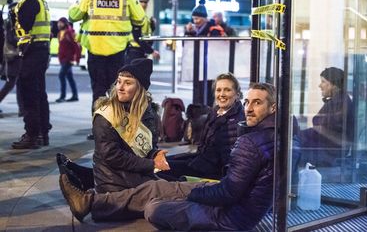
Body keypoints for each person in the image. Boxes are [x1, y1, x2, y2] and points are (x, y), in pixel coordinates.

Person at [59, 82, 277, 231]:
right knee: (157, 183)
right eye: (248, 102)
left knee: (155, 200)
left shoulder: (248, 138)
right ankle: (91, 196)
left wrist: (193, 193)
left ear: (273, 107)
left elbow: (226, 187)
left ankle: (92, 200)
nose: (249, 108)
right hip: (228, 195)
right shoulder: (260, 133)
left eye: (256, 103)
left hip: (230, 213)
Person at [61, 58, 169, 194]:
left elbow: (146, 148)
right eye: (118, 82)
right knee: (169, 193)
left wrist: (155, 154)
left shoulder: (149, 113)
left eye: (127, 83)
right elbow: (112, 156)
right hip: (114, 180)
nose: (120, 88)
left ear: (140, 88)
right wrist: (151, 164)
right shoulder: (106, 114)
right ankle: (93, 201)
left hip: (134, 174)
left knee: (175, 183)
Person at [69, 0, 147, 139]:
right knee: (119, 90)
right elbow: (141, 19)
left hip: (95, 50)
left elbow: (73, 15)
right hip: (118, 51)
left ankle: (98, 130)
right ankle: (118, 129)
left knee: (97, 91)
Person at [158, 72, 245, 181]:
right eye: (219, 90)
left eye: (227, 90)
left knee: (159, 169)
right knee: (158, 162)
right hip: (201, 160)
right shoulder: (216, 112)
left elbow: (226, 162)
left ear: (237, 94)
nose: (222, 94)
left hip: (211, 172)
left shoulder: (236, 120)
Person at [11, 0, 55, 149]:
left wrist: (14, 15)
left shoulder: (31, 1)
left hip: (32, 51)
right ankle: (42, 133)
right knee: (39, 93)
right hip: (40, 50)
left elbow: (24, 25)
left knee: (28, 93)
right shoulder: (41, 2)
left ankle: (32, 135)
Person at [299, 67, 354, 167]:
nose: (320, 85)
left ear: (334, 85)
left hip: (329, 152)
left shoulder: (339, 102)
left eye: (323, 82)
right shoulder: (338, 100)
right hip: (325, 147)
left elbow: (322, 126)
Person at [125, 0, 160, 64]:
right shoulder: (135, 17)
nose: (143, 4)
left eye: (145, 2)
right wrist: (151, 51)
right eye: (141, 2)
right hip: (134, 52)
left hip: (141, 52)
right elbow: (137, 37)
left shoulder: (145, 17)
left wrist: (152, 26)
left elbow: (147, 35)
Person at [55, 17, 79, 103]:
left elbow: (76, 46)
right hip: (62, 59)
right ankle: (75, 95)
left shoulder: (69, 33)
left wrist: (76, 58)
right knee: (69, 77)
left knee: (61, 75)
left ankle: (62, 96)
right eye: (58, 23)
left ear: (65, 23)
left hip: (68, 59)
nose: (59, 24)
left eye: (60, 23)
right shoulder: (60, 33)